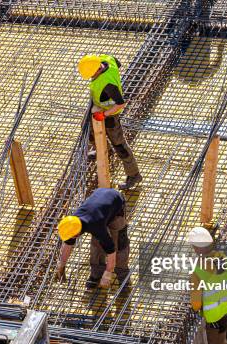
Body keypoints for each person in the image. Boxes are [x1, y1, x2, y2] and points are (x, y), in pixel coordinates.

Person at [78, 54, 142, 190]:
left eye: (91, 75)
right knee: (88, 129)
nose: (90, 77)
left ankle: (134, 175)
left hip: (111, 115)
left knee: (119, 145)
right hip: (100, 108)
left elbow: (120, 104)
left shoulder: (108, 84)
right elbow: (117, 63)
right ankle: (102, 149)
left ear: (97, 70)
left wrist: (104, 114)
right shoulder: (106, 59)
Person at [55, 188, 130, 289]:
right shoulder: (72, 223)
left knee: (119, 245)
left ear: (77, 233)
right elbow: (68, 244)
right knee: (96, 246)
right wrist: (62, 263)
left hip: (116, 206)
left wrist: (108, 273)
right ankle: (96, 274)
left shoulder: (95, 226)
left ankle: (123, 277)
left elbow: (111, 251)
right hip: (100, 204)